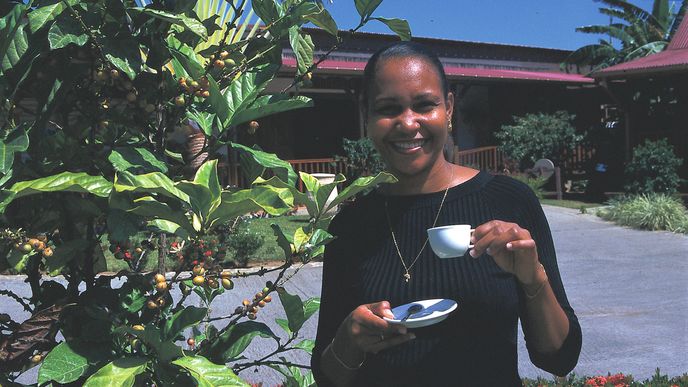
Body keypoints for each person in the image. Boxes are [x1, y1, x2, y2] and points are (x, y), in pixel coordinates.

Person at [311, 42, 582, 386]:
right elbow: (327, 377)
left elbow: (559, 356)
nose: (408, 124)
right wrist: (348, 342)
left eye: (424, 105)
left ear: (449, 108)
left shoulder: (510, 202)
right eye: (388, 108)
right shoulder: (351, 226)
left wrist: (534, 279)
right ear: (367, 116)